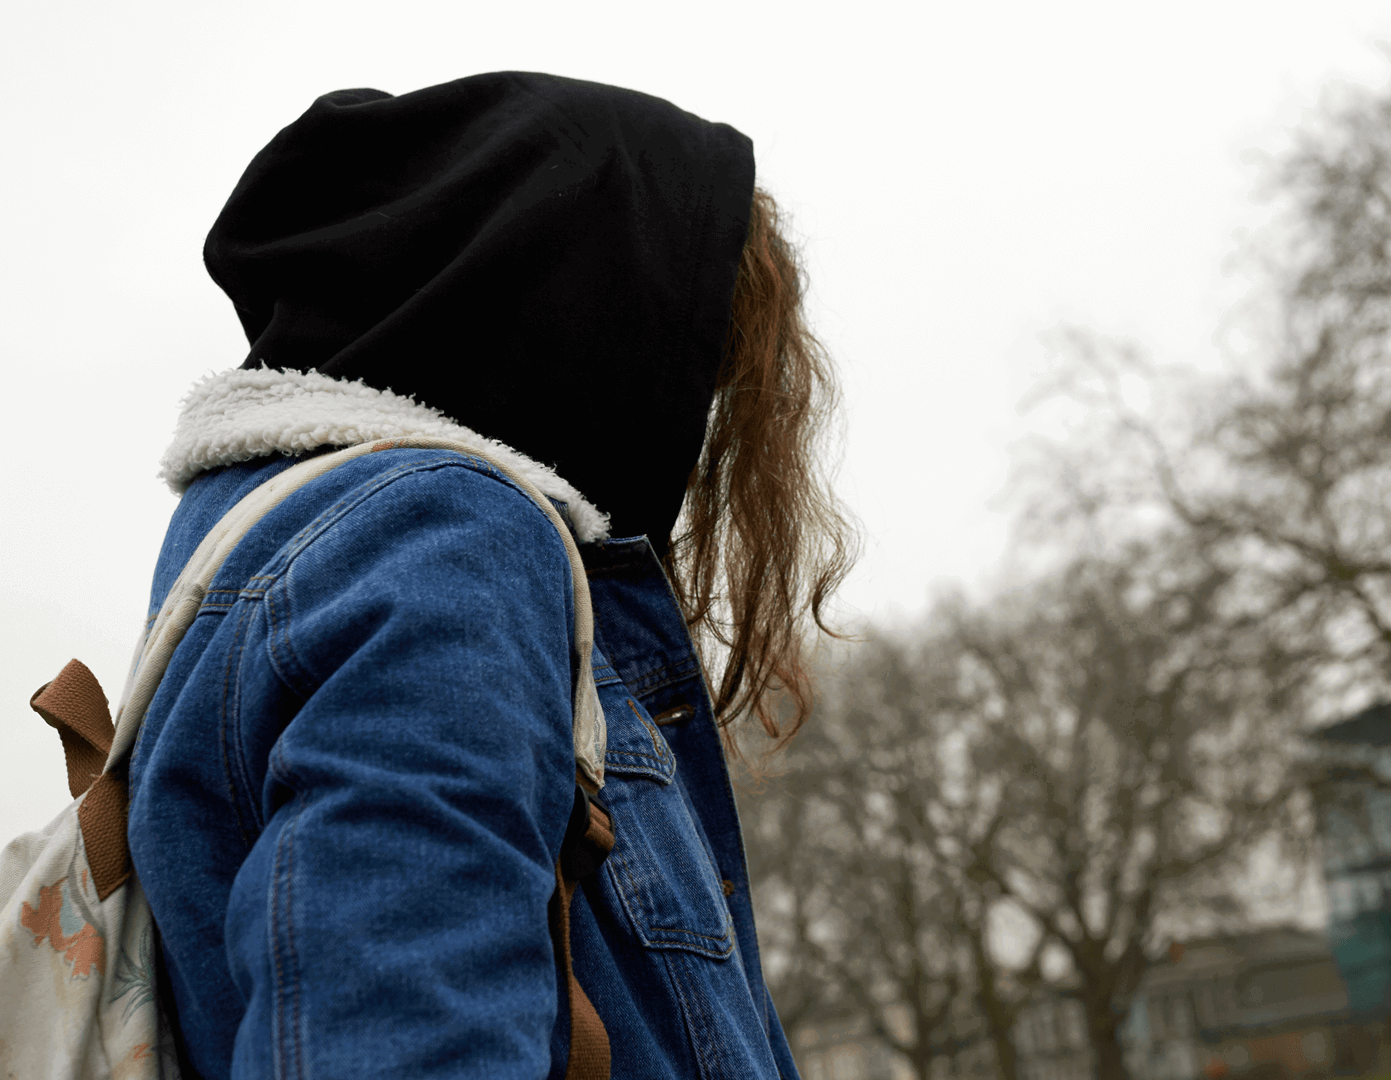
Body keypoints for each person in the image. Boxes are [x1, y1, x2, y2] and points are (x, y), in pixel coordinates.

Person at [126, 71, 852, 1079]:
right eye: (693, 370)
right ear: (586, 313)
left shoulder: (259, 541)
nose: (686, 439)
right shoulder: (442, 538)